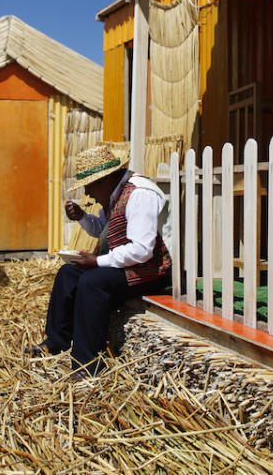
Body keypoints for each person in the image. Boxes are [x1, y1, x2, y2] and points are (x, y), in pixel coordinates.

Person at [26, 145, 171, 378]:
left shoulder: (139, 194)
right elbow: (104, 230)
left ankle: (87, 363)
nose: (88, 194)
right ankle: (56, 342)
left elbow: (142, 250)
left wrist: (97, 261)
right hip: (129, 266)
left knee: (92, 282)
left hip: (151, 272)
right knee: (68, 273)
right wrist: (82, 217)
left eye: (89, 186)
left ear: (104, 180)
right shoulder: (116, 194)